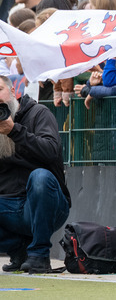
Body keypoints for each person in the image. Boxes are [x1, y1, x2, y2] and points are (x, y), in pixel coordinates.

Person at [0, 74, 70, 273]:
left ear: (13, 91)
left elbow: (50, 152)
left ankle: (39, 255)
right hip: (8, 205)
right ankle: (19, 249)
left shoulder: (38, 113)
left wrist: (14, 131)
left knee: (40, 177)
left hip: (45, 203)